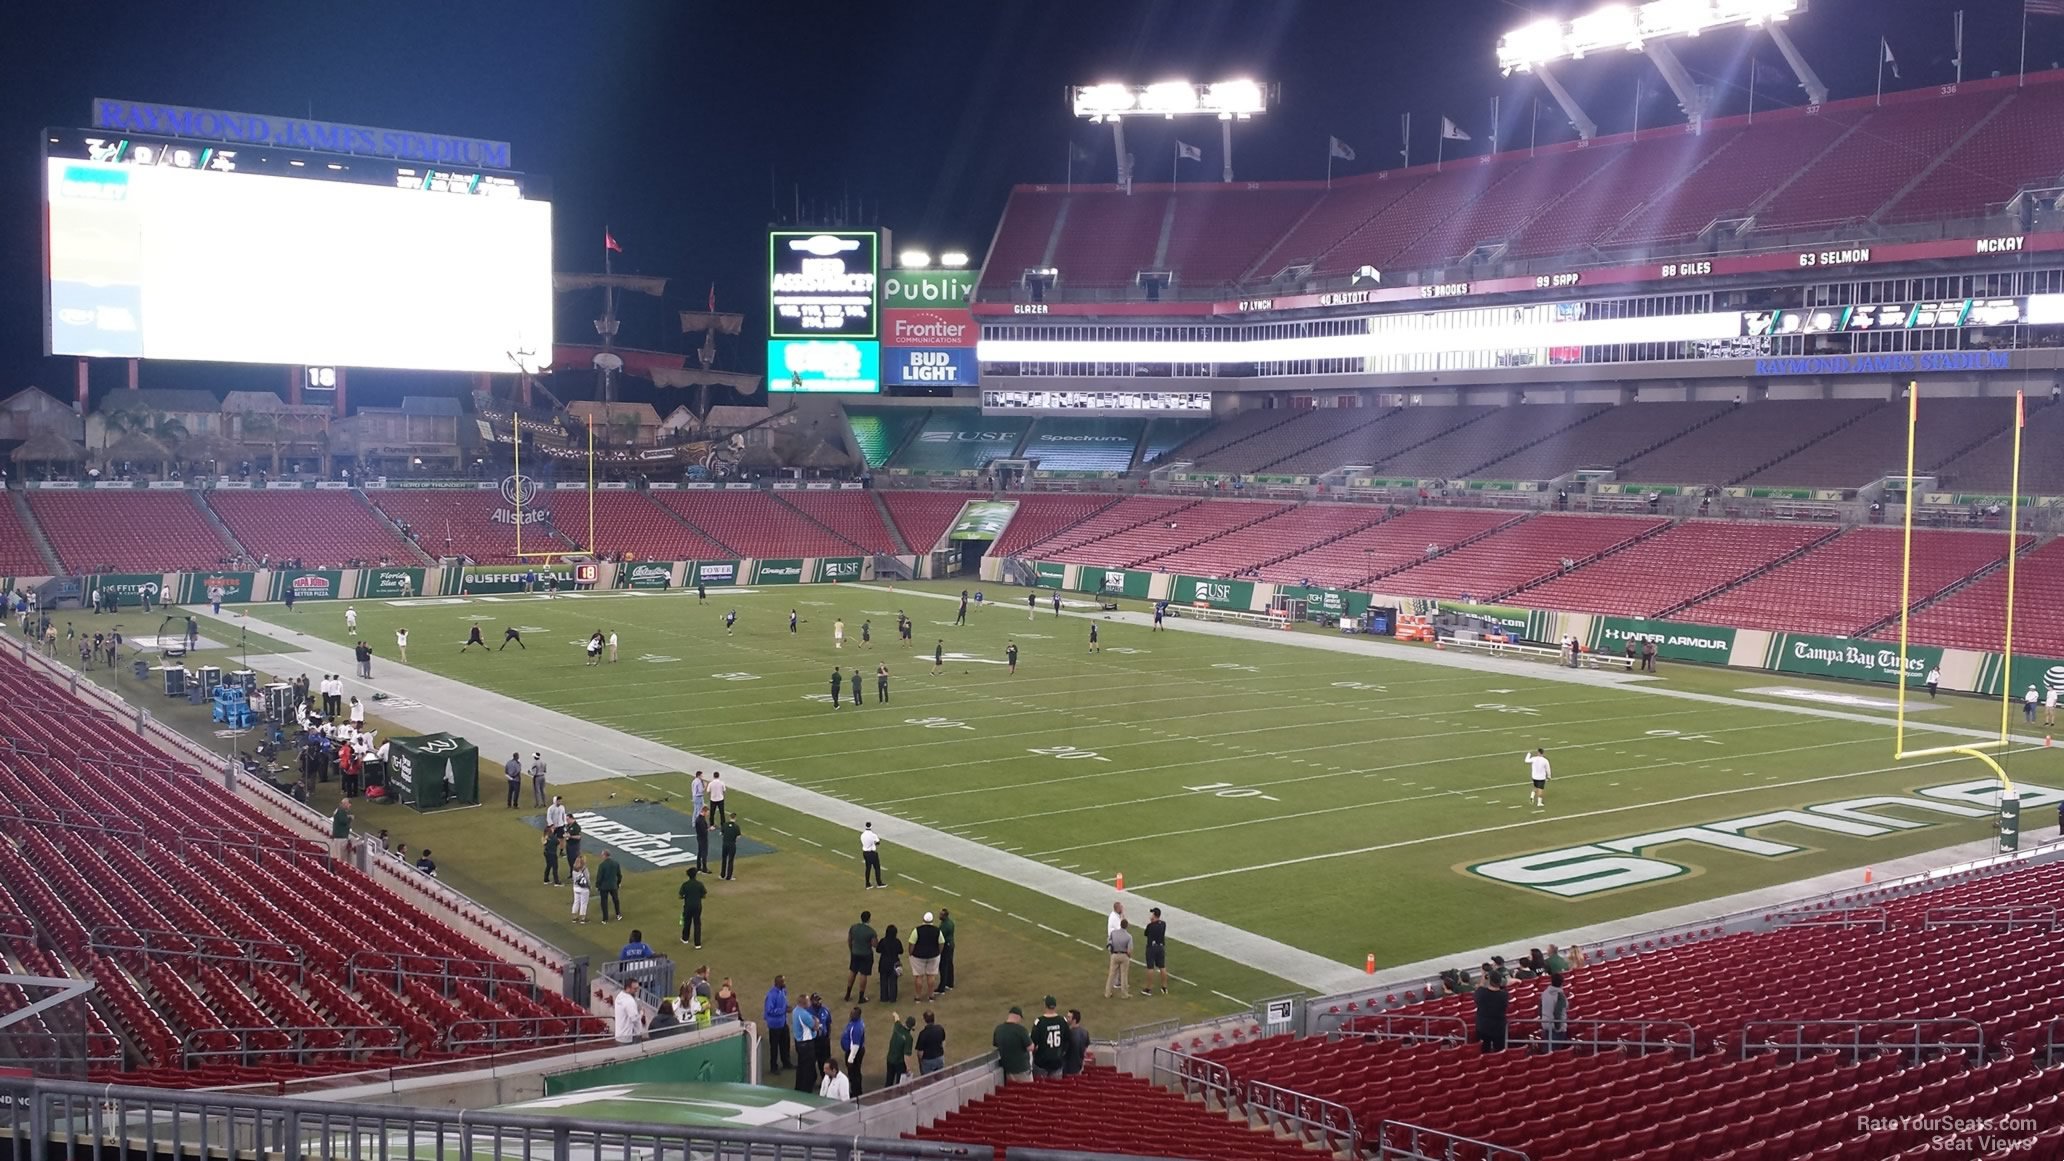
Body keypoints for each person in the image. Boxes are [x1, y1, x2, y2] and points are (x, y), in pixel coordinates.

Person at [1031, 996, 1068, 1079]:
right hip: (1057, 1061)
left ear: (1045, 1006)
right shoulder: (1063, 1020)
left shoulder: (1039, 1022)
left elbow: (1033, 1042)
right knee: (1055, 1088)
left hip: (1042, 1061)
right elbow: (1067, 1040)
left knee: (1041, 1088)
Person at [992, 1007, 1033, 1083]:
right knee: (1027, 1092)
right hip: (1022, 1070)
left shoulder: (998, 1029)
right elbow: (1030, 1047)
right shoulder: (1021, 1030)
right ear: (1017, 1016)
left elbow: (996, 1045)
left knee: (1012, 1092)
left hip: (1007, 1070)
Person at [789, 997, 821, 1093]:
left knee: (802, 1067)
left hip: (799, 1043)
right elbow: (815, 1027)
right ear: (804, 1003)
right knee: (808, 1069)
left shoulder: (795, 1011)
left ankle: (799, 1087)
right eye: (808, 1001)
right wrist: (817, 1021)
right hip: (806, 1044)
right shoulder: (804, 1014)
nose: (810, 1002)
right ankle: (806, 1090)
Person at [1474, 966, 1509, 1053]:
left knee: (1484, 1051)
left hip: (1484, 1027)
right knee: (1500, 1051)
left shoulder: (1481, 993)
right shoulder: (1504, 995)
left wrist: (1483, 978)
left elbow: (1479, 989)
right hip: (1499, 1027)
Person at [845, 910, 877, 1003]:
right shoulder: (871, 931)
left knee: (852, 972)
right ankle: (861, 997)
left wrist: (852, 950)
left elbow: (849, 940)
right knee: (863, 974)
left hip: (855, 953)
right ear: (869, 919)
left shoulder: (853, 927)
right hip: (866, 954)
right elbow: (875, 944)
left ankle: (847, 994)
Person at [764, 975, 794, 1073]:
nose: (784, 983)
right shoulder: (771, 995)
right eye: (783, 982)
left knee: (785, 1044)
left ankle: (786, 1062)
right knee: (774, 1047)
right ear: (777, 983)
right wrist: (783, 1010)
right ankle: (773, 1067)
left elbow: (783, 1004)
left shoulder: (783, 991)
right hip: (774, 1025)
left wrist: (787, 1007)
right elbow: (769, 1010)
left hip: (783, 1022)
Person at [910, 913, 942, 1002]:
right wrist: (939, 952)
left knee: (919, 977)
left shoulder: (917, 930)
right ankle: (931, 996)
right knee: (931, 976)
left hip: (918, 956)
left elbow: (912, 943)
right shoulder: (937, 930)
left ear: (923, 920)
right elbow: (941, 942)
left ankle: (917, 997)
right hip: (933, 956)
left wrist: (910, 953)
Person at [839, 1007, 866, 1096]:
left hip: (854, 1053)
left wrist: (851, 1059)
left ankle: (856, 1093)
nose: (850, 1014)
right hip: (853, 1051)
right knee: (854, 1073)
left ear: (857, 1015)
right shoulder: (854, 1022)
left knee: (854, 1073)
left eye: (853, 1013)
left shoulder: (857, 1027)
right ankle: (856, 1091)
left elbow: (855, 1045)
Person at [1141, 906, 1168, 995]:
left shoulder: (1150, 925)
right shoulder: (1163, 924)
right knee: (1162, 967)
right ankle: (1164, 987)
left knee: (1150, 968)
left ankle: (1148, 988)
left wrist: (1151, 922)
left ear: (1154, 915)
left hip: (1151, 948)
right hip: (1161, 947)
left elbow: (1146, 933)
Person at [1539, 971, 1569, 1051]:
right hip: (1557, 1027)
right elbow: (1557, 1012)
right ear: (1562, 983)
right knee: (1556, 1052)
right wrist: (1558, 1027)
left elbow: (1540, 1007)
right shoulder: (1560, 996)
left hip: (1546, 1024)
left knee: (1547, 1050)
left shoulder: (1544, 993)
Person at [1105, 918, 1133, 998]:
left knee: (1111, 974)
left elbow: (1109, 942)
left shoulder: (1114, 933)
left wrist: (1111, 951)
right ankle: (1124, 994)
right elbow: (1129, 950)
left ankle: (1107, 993)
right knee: (1124, 975)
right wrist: (1128, 956)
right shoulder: (1128, 936)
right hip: (1124, 955)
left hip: (1114, 955)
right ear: (1126, 926)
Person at [678, 867, 706, 948]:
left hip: (688, 906)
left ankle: (685, 938)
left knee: (687, 921)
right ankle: (697, 943)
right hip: (697, 906)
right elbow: (704, 894)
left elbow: (681, 896)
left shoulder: (685, 885)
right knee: (697, 923)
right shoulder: (699, 884)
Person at [886, 1012, 916, 1088]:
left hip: (890, 1059)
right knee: (899, 1083)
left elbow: (897, 1019)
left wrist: (895, 1014)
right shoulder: (909, 1038)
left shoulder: (897, 1027)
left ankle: (886, 1097)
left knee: (889, 1080)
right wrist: (908, 1068)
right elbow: (906, 1055)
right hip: (899, 1063)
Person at [612, 979, 644, 1044]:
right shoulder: (629, 1001)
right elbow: (634, 1019)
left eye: (638, 988)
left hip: (620, 1035)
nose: (637, 991)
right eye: (635, 989)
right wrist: (641, 1013)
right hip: (630, 1036)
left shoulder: (620, 996)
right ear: (628, 988)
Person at [877, 923, 904, 1004]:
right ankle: (893, 998)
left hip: (884, 962)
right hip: (894, 962)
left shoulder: (883, 941)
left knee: (883, 980)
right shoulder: (897, 941)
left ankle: (884, 997)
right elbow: (901, 951)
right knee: (893, 981)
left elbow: (878, 950)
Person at [595, 849, 623, 923]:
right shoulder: (616, 863)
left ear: (605, 855)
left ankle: (605, 918)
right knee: (616, 900)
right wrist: (618, 883)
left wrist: (597, 885)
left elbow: (599, 877)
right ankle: (618, 914)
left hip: (604, 887)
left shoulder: (602, 865)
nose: (601, 856)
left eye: (602, 855)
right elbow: (619, 875)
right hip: (613, 886)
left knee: (604, 902)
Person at [916, 1009, 946, 1075]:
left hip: (928, 1061)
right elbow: (943, 1043)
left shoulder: (923, 1034)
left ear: (925, 1020)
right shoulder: (940, 1028)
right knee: (940, 1079)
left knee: (928, 1081)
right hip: (939, 1058)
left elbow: (920, 1052)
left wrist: (920, 1064)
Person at [1062, 1010, 1089, 1076]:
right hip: (1078, 1067)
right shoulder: (1085, 1032)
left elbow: (1063, 1052)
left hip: (1067, 1068)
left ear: (1074, 1020)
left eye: (1068, 1017)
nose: (1066, 1019)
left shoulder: (1068, 1033)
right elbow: (1085, 1050)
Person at [860, 821, 885, 888]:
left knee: (868, 868)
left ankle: (867, 884)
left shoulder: (862, 835)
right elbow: (878, 842)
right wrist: (874, 843)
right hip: (872, 853)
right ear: (871, 826)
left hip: (865, 852)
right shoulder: (873, 835)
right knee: (877, 868)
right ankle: (879, 883)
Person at [568, 855, 591, 924]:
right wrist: (589, 886)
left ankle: (574, 918)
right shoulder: (584, 869)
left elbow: (574, 878)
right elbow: (587, 879)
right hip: (584, 888)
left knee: (576, 902)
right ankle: (583, 919)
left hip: (576, 887)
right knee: (583, 903)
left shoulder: (574, 868)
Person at [938, 908, 956, 993]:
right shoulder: (950, 922)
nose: (939, 915)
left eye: (941, 914)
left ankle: (942, 987)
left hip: (946, 947)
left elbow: (940, 937)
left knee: (943, 966)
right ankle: (950, 983)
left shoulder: (945, 926)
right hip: (951, 945)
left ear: (945, 916)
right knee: (949, 964)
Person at [719, 812, 741, 880]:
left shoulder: (725, 825)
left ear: (729, 817)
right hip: (732, 844)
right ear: (735, 818)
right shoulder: (736, 827)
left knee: (724, 859)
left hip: (725, 844)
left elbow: (721, 833)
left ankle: (722, 875)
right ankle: (729, 876)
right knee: (730, 860)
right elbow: (738, 836)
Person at [694, 806, 711, 872]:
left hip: (699, 837)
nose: (708, 814)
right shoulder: (701, 820)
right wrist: (709, 829)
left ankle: (698, 867)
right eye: (707, 813)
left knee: (700, 852)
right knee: (704, 853)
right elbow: (703, 831)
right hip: (702, 838)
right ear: (704, 812)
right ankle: (704, 868)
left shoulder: (699, 818)